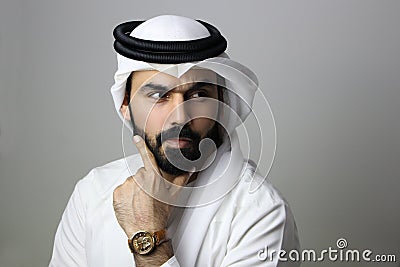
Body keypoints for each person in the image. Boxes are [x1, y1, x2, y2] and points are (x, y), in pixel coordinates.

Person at [49, 15, 300, 267]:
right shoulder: (92, 192)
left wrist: (148, 233)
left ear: (221, 106)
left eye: (199, 94)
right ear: (125, 105)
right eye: (159, 95)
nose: (179, 117)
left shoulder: (260, 212)